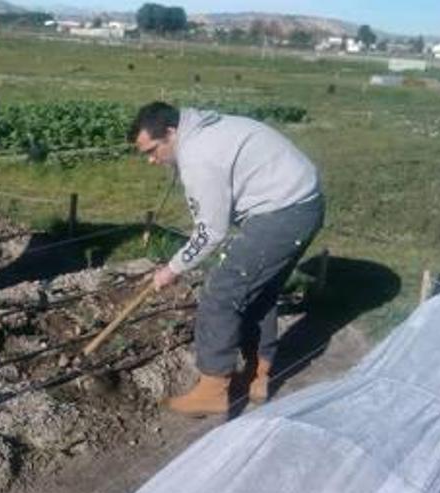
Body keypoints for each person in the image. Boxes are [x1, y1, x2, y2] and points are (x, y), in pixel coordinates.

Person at [129, 101, 324, 416]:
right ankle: (259, 376)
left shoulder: (198, 156)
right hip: (300, 201)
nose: (152, 160)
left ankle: (212, 389)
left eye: (152, 150)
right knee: (258, 289)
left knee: (220, 293)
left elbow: (210, 232)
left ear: (170, 132)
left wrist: (173, 268)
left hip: (285, 211)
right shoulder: (200, 129)